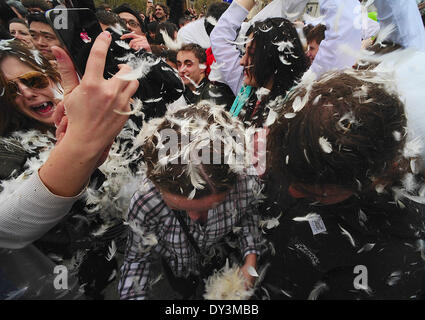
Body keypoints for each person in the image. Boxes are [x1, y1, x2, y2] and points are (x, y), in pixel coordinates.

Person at [260, 70, 425, 299]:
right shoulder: (298, 152)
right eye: (288, 177)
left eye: (310, 191)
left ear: (368, 181)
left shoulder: (396, 264)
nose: (290, 190)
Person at [0, 34, 139, 298]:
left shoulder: (102, 112)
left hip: (119, 263)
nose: (27, 92)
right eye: (10, 89)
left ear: (51, 76)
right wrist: (81, 145)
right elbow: (6, 226)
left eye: (33, 80)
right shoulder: (8, 149)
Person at [119, 102, 265, 300]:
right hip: (179, 271)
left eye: (214, 206)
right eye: (176, 207)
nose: (195, 218)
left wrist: (250, 259)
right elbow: (136, 260)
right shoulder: (146, 200)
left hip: (219, 260)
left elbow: (248, 213)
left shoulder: (245, 181)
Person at [211, 0, 308, 127]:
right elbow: (219, 38)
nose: (241, 61)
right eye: (244, 52)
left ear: (273, 59)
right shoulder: (246, 88)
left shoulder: (298, 110)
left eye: (251, 54)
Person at [177, 43, 235, 108]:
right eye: (179, 65)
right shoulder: (185, 91)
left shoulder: (211, 93)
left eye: (188, 64)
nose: (181, 70)